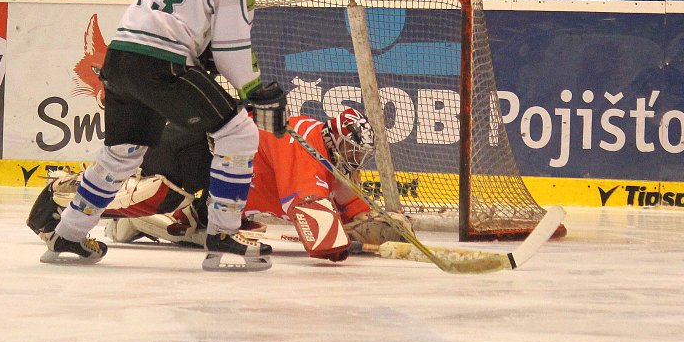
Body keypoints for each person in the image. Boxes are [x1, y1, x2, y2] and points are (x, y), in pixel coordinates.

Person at [38, 0, 286, 271]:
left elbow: (178, 8)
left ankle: (68, 234)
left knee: (122, 154)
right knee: (239, 133)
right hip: (162, 62)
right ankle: (223, 235)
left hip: (120, 55)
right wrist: (255, 90)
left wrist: (200, 46)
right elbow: (231, 49)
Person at [29, 108, 411, 263]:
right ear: (334, 138)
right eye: (354, 149)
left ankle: (138, 225)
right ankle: (62, 193)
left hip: (221, 191)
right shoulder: (307, 147)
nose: (357, 158)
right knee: (157, 197)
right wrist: (356, 243)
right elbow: (325, 242)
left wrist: (385, 225)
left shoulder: (333, 161)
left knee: (191, 227)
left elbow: (356, 211)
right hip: (196, 151)